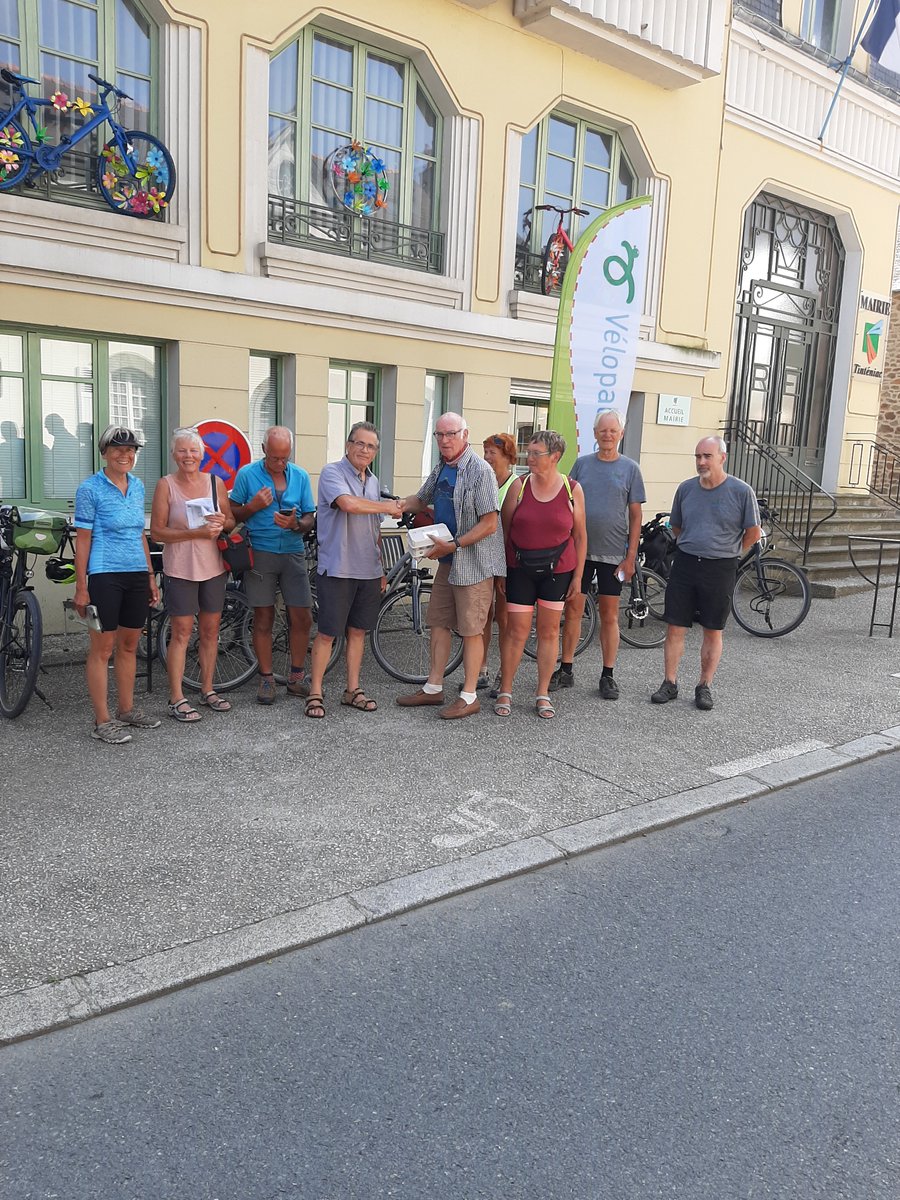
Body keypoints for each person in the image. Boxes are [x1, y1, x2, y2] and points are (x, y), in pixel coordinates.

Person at [396, 414, 505, 720]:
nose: (444, 440)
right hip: (448, 559)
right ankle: (433, 688)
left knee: (471, 630)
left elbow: (489, 524)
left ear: (464, 434)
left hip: (472, 562)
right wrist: (396, 506)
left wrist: (454, 545)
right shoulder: (443, 465)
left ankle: (469, 696)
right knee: (439, 622)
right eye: (439, 434)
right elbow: (422, 499)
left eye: (450, 434)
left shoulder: (481, 471)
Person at [652, 435, 761, 711]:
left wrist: (730, 552)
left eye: (707, 456)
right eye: (698, 456)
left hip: (720, 567)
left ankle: (704, 686)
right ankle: (670, 682)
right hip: (686, 563)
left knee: (713, 629)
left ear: (722, 458)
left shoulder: (740, 491)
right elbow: (676, 526)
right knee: (675, 626)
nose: (701, 462)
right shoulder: (686, 489)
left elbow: (753, 532)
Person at [305, 421, 402, 718]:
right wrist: (387, 507)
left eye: (371, 446)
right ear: (348, 445)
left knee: (358, 632)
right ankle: (315, 693)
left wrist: (381, 567)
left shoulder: (373, 482)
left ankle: (352, 690)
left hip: (368, 570)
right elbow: (348, 504)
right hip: (337, 567)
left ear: (375, 452)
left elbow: (373, 528)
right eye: (359, 443)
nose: (365, 450)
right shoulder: (332, 472)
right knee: (327, 633)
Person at [73, 425, 161, 744]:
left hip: (137, 573)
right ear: (105, 452)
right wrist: (81, 586)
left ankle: (126, 710)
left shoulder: (137, 486)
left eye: (131, 450)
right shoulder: (90, 489)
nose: (125, 454)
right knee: (102, 648)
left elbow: (140, 533)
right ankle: (103, 720)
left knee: (129, 645)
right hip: (104, 574)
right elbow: (83, 541)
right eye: (118, 449)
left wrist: (150, 576)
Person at [553, 409, 646, 699]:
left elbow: (635, 515)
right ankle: (566, 668)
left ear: (620, 434)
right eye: (602, 430)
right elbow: (563, 503)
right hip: (578, 553)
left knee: (609, 615)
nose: (607, 435)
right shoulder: (581, 465)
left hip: (613, 555)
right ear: (594, 434)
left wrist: (631, 556)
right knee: (573, 610)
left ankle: (608, 675)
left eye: (613, 431)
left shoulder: (631, 469)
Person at [494, 431, 586, 719]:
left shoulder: (572, 489)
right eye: (529, 452)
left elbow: (581, 537)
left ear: (555, 457)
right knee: (517, 631)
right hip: (520, 569)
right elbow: (505, 532)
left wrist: (578, 577)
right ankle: (505, 689)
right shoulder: (518, 487)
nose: (529, 458)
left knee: (549, 632)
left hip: (558, 571)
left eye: (536, 453)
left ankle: (542, 692)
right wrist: (502, 572)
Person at [150, 428, 236, 722]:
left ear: (202, 454)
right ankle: (177, 697)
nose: (188, 456)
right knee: (182, 633)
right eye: (182, 451)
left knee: (211, 632)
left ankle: (208, 690)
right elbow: (157, 532)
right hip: (180, 569)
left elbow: (231, 522)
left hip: (213, 567)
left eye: (193, 451)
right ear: (174, 454)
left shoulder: (216, 483)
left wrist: (223, 521)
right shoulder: (166, 485)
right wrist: (194, 532)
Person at [229, 426, 315, 704]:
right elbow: (231, 513)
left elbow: (310, 518)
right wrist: (252, 507)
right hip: (261, 553)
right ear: (264, 450)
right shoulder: (247, 474)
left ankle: (296, 678)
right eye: (275, 458)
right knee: (263, 618)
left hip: (293, 552)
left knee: (302, 617)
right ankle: (266, 679)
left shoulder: (300, 476)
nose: (280, 463)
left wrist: (296, 524)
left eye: (285, 458)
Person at [480, 433, 518, 698]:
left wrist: (504, 570)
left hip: (504, 562)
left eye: (492, 453)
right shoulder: (484, 479)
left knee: (504, 620)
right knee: (482, 617)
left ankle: (503, 674)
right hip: (483, 559)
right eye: (485, 452)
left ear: (507, 456)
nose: (487, 457)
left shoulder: (514, 484)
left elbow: (507, 529)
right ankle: (480, 669)